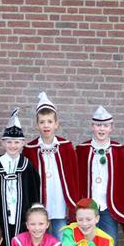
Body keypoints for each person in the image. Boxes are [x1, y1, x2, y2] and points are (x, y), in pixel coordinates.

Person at [75, 105, 124, 246]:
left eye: (105, 126)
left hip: (108, 207)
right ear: (92, 127)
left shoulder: (118, 150)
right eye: (98, 125)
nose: (101, 129)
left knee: (108, 245)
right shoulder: (82, 149)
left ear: (111, 128)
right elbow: (77, 177)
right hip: (89, 207)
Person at [0, 108, 40, 246]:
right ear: (3, 143)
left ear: (23, 143)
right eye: (9, 142)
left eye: (17, 142)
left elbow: (34, 192)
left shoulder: (27, 166)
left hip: (21, 216)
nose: (13, 146)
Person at [23, 92, 79, 238]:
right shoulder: (30, 149)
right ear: (37, 125)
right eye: (42, 122)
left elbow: (74, 177)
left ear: (56, 124)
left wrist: (73, 203)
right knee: (39, 241)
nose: (46, 125)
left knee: (60, 241)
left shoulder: (66, 146)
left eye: (49, 121)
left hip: (60, 203)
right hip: (40, 204)